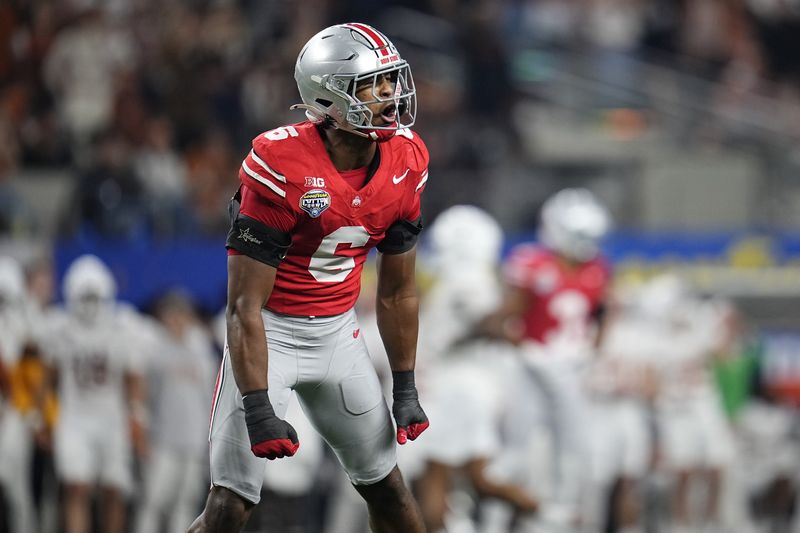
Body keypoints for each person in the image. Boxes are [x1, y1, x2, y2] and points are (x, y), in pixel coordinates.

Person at [189, 22, 430, 533]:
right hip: (268, 330)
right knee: (230, 507)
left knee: (388, 488)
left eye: (391, 81)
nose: (391, 96)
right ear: (329, 96)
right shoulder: (281, 164)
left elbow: (397, 290)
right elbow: (242, 307)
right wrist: (257, 405)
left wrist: (405, 386)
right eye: (373, 85)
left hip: (338, 332)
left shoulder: (406, 159)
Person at [480, 188, 612, 529]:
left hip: (573, 369)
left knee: (574, 451)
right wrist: (522, 349)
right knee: (518, 451)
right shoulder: (532, 263)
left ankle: (559, 517)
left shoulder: (598, 269)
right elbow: (506, 317)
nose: (587, 244)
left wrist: (594, 349)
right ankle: (492, 523)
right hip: (531, 367)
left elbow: (602, 313)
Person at [414, 205, 539, 533]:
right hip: (463, 383)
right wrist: (517, 301)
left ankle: (546, 512)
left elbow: (482, 322)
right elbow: (489, 323)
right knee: (460, 478)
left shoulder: (458, 280)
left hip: (452, 383)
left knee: (442, 475)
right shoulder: (471, 280)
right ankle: (547, 512)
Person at [44, 255, 148, 533]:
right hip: (74, 416)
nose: (90, 304)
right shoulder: (60, 328)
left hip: (111, 417)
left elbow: (132, 376)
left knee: (114, 490)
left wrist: (137, 416)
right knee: (76, 487)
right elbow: (49, 376)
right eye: (85, 296)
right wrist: (41, 417)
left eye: (94, 297)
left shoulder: (120, 326)